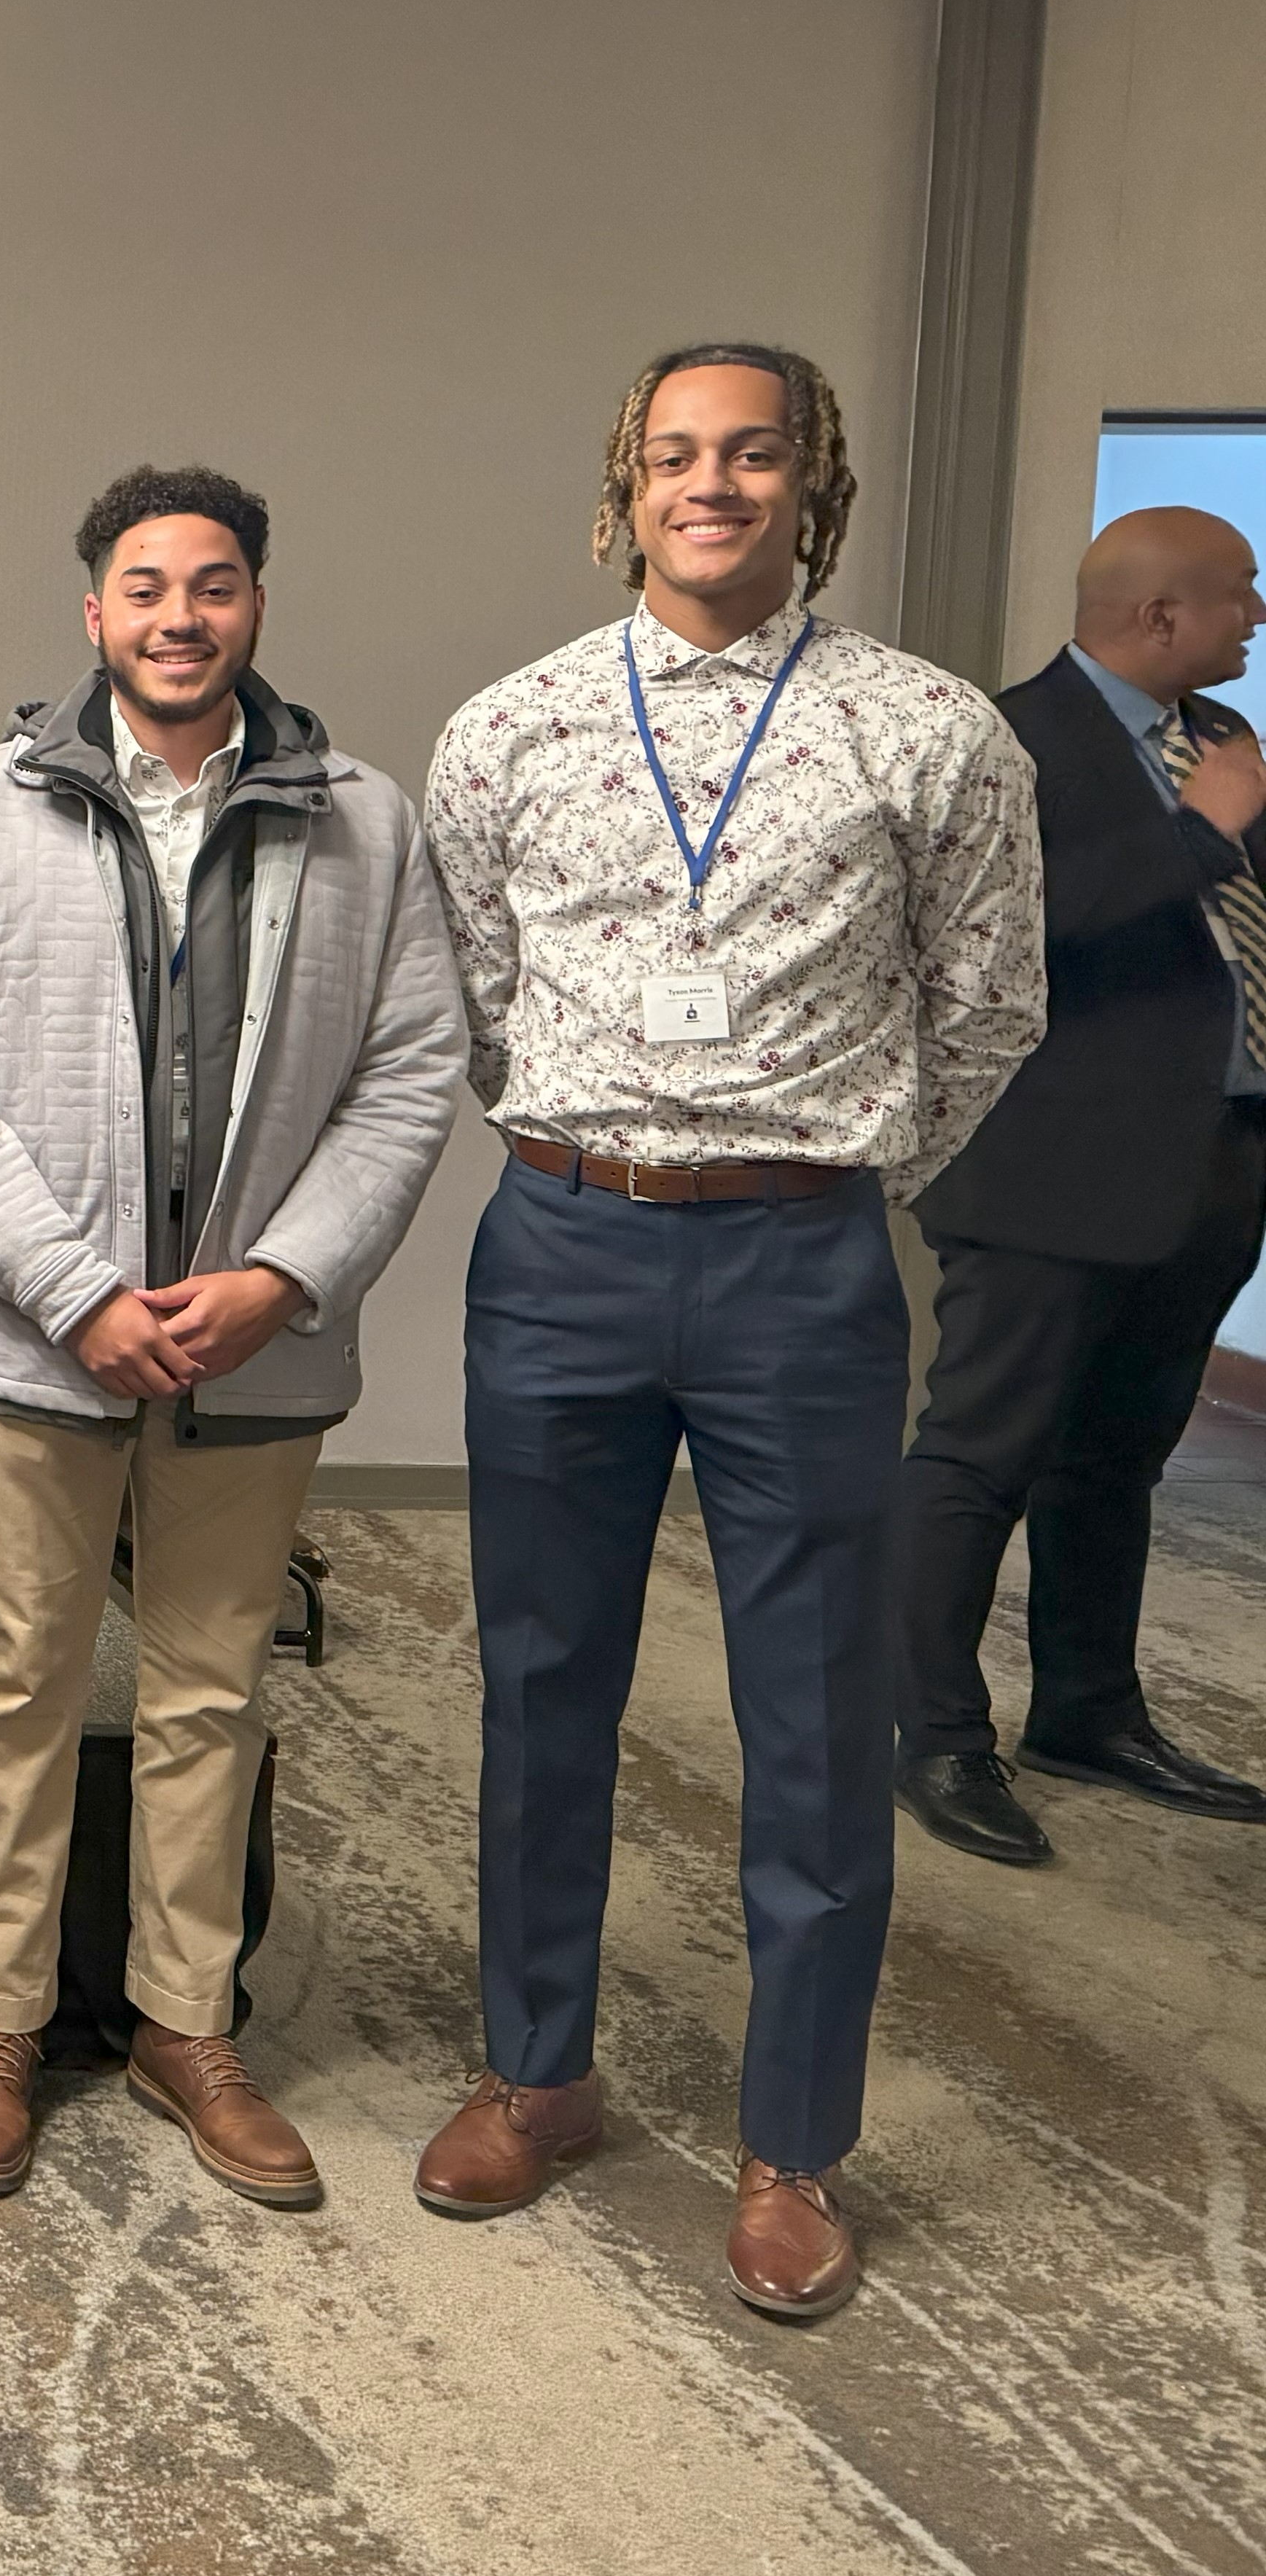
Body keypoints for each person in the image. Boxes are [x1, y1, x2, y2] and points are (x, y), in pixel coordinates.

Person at [418, 343, 1042, 2322]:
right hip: (565, 1241)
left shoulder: (928, 733)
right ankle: (538, 2069)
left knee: (813, 1715)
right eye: (676, 454)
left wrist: (822, 1158)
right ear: (626, 486)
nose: (714, 483)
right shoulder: (510, 726)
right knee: (539, 1681)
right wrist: (612, 1142)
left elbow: (990, 1005)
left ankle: (794, 2144)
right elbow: (476, 987)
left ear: (813, 484)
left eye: (752, 451)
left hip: (802, 1263)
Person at [0, 469, 463, 2210]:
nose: (179, 617)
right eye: (146, 587)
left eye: (213, 586)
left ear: (256, 603)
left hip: (254, 1350)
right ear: (93, 613)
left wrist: (284, 1277)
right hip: (41, 1340)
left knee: (213, 1687)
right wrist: (73, 1290)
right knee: (23, 1685)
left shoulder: (365, 817)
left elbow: (411, 1071)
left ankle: (185, 2023)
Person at [893, 504, 1266, 1862]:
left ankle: (1090, 1715)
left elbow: (1231, 939)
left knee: (1119, 1461)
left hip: (1211, 1166)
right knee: (980, 1458)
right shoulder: (1002, 739)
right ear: (1163, 615)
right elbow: (999, 933)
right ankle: (933, 1735)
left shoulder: (1219, 745)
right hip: (1044, 1172)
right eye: (1242, 594)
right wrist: (1201, 836)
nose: (1258, 617)